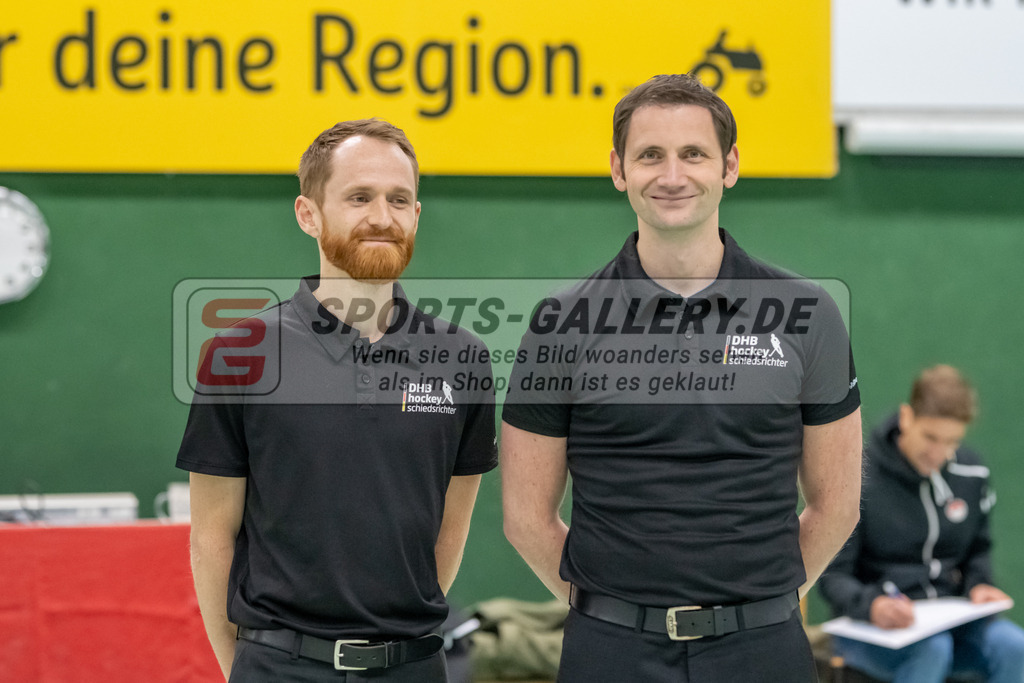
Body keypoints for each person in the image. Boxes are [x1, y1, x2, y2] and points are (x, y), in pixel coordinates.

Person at [500, 73, 863, 682]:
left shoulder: (808, 314)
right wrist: (615, 612)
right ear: (618, 169)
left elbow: (837, 506)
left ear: (730, 166)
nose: (672, 176)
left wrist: (755, 606)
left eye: (693, 153)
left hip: (763, 653)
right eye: (650, 155)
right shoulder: (560, 322)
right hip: (611, 654)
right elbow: (525, 518)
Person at [177, 119, 498, 681]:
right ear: (309, 214)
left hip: (414, 668)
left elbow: (449, 529)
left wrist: (395, 639)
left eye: (399, 199)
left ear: (416, 215)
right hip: (279, 668)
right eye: (359, 197)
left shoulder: (462, 357)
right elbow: (210, 537)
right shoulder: (240, 354)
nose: (382, 217)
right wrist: (246, 666)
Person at [819, 365, 1024, 683]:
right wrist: (873, 605)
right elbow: (832, 575)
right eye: (930, 437)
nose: (939, 453)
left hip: (951, 622)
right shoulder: (859, 477)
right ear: (906, 417)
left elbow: (978, 551)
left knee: (1015, 647)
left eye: (952, 441)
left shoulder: (972, 473)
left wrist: (978, 584)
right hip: (870, 628)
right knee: (932, 649)